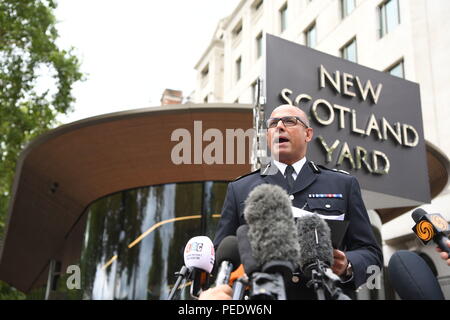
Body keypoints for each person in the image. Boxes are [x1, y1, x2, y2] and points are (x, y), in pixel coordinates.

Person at [212, 104, 383, 300]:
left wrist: (347, 265)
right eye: (273, 124)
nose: (279, 127)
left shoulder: (343, 184)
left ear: (308, 134)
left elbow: (371, 254)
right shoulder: (240, 188)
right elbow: (223, 253)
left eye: (289, 121)